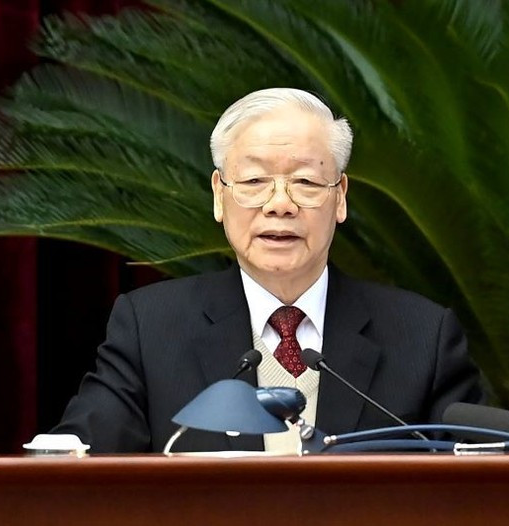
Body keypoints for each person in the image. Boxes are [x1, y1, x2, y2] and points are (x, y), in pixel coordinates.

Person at [51, 88, 484, 453]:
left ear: (340, 197)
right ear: (220, 195)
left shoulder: (422, 336)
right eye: (255, 182)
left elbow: (480, 483)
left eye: (307, 183)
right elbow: (75, 463)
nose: (280, 204)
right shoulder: (151, 328)